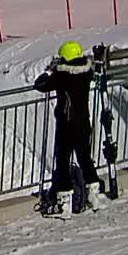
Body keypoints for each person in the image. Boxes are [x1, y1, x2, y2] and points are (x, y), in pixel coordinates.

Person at [32, 40, 102, 214]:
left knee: (63, 161)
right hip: (84, 122)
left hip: (66, 124)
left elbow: (39, 84)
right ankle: (94, 194)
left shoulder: (62, 76)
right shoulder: (86, 72)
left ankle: (65, 202)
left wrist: (50, 71)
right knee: (85, 157)